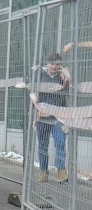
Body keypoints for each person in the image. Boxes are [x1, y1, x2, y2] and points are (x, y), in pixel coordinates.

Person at [32, 53, 70, 183]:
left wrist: (66, 78)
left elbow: (66, 92)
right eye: (53, 64)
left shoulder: (62, 76)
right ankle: (43, 172)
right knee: (43, 145)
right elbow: (32, 91)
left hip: (59, 116)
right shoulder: (39, 75)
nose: (55, 66)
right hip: (42, 117)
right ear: (48, 63)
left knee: (60, 143)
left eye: (58, 64)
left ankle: (61, 172)